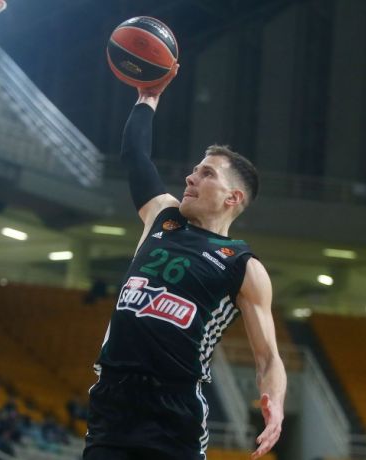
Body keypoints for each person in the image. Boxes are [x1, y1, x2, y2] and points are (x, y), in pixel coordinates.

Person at [83, 65, 287, 460]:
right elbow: (135, 156)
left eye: (206, 174)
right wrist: (147, 98)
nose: (191, 178)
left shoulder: (243, 266)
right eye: (194, 170)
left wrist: (275, 404)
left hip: (173, 410)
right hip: (113, 400)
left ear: (232, 198)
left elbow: (268, 358)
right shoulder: (163, 215)